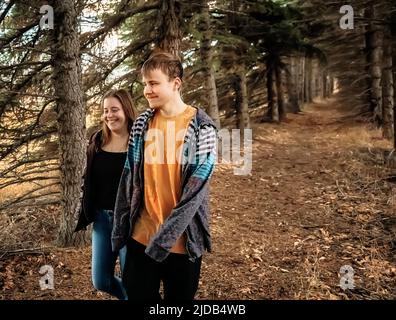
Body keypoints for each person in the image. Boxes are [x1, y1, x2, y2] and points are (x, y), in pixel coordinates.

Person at [111, 51, 217, 300]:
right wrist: (120, 230)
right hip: (140, 237)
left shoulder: (203, 129)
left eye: (154, 83)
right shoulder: (141, 125)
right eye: (145, 84)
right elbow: (129, 180)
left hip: (181, 243)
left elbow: (195, 194)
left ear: (175, 83)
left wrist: (163, 241)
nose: (147, 90)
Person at [75, 88, 136, 300]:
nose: (110, 115)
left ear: (127, 111)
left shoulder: (139, 143)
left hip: (130, 222)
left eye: (115, 110)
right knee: (101, 280)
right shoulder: (98, 141)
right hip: (102, 220)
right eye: (106, 110)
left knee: (133, 281)